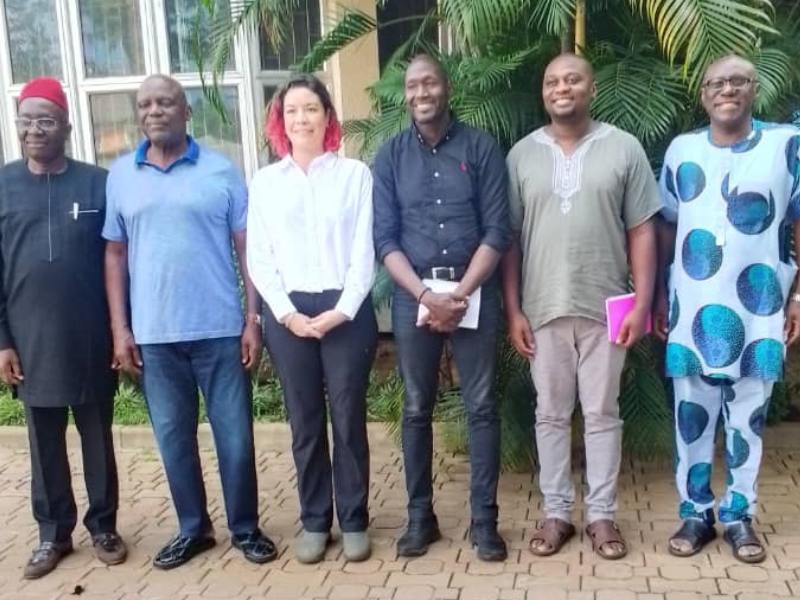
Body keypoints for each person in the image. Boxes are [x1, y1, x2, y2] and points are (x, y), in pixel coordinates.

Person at [103, 75, 275, 569]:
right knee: (174, 440)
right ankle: (193, 529)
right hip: (155, 338)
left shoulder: (221, 171)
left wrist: (252, 318)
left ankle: (245, 528)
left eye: (165, 102)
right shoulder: (121, 176)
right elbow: (114, 255)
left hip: (220, 331)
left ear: (187, 112)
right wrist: (120, 329)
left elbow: (247, 249)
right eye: (145, 104)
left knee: (235, 439)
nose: (154, 111)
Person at [502, 53, 660, 560]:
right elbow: (509, 240)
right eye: (552, 81)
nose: (561, 87)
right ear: (543, 92)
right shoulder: (521, 155)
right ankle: (556, 513)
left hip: (606, 307)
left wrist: (642, 303)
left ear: (591, 89)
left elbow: (642, 230)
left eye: (572, 79)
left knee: (602, 414)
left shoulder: (624, 148)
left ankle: (601, 516)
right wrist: (513, 310)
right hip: (542, 307)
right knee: (549, 415)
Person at [654, 54, 800, 564]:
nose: (727, 90)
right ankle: (696, 514)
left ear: (754, 88)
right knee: (691, 419)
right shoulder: (682, 150)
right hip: (690, 309)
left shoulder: (787, 146)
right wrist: (659, 297)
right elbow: (666, 224)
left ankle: (739, 516)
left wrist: (798, 297)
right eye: (716, 83)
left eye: (738, 81)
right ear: (703, 95)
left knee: (747, 421)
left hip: (761, 308)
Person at [373, 54, 511, 561]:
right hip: (415, 296)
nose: (420, 93)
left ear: (446, 87)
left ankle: (484, 522)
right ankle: (420, 519)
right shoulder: (390, 156)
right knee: (415, 408)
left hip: (472, 290)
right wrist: (426, 297)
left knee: (482, 406)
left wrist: (460, 294)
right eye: (412, 86)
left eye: (429, 82)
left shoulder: (481, 147)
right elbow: (385, 240)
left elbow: (497, 230)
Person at [247, 74, 377, 564]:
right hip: (290, 315)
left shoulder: (354, 176)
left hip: (346, 309)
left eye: (311, 109)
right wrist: (286, 315)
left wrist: (342, 309)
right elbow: (260, 257)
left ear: (328, 117)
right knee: (304, 421)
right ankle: (316, 521)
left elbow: (364, 250)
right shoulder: (265, 183)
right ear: (280, 121)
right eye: (292, 111)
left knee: (347, 418)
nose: (301, 118)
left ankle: (355, 520)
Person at [0, 77, 126, 579]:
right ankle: (53, 534)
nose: (34, 130)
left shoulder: (98, 183)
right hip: (30, 342)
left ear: (67, 127)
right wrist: (2, 341)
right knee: (43, 442)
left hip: (91, 336)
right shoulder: (3, 185)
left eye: (46, 120)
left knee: (98, 437)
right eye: (26, 120)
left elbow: (119, 261)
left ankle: (104, 527)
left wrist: (121, 331)